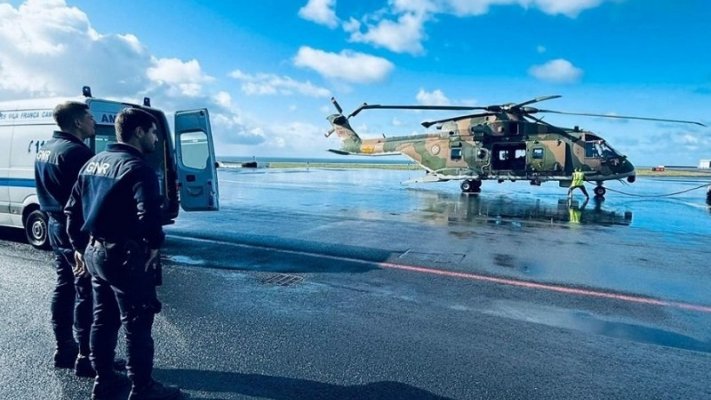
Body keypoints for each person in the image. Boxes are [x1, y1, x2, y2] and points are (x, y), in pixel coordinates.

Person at [65, 108, 180, 400]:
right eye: (153, 132)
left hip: (95, 252)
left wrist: (79, 247)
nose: (156, 139)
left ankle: (103, 381)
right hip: (125, 256)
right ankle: (142, 388)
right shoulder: (138, 167)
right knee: (137, 323)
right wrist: (154, 244)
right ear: (138, 132)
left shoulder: (93, 162)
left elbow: (72, 211)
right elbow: (149, 215)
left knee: (103, 320)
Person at [34, 101, 99, 375]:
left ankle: (64, 348)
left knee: (65, 286)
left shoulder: (46, 148)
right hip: (75, 230)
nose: (94, 122)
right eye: (90, 118)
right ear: (77, 122)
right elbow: (86, 200)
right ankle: (88, 356)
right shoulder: (77, 153)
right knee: (86, 291)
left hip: (54, 224)